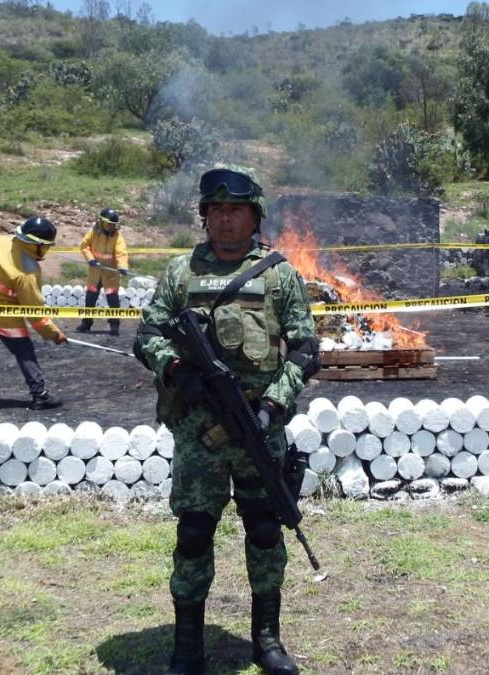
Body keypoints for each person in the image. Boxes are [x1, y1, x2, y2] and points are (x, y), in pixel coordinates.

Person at [134, 167, 319, 675]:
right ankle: (188, 645)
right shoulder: (180, 272)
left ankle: (267, 639)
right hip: (199, 431)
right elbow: (147, 334)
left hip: (260, 426)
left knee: (264, 527)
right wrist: (175, 369)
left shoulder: (279, 274)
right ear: (204, 216)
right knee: (194, 531)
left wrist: (273, 404)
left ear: (255, 216)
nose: (224, 218)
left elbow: (305, 349)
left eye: (234, 209)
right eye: (215, 210)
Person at [0, 216, 68, 410]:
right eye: (46, 246)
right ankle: (40, 395)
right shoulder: (27, 271)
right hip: (0, 310)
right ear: (37, 245)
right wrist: (54, 334)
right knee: (24, 351)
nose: (47, 250)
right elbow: (35, 312)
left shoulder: (0, 240)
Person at [76, 207, 130, 335]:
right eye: (109, 224)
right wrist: (90, 259)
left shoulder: (117, 236)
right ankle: (86, 323)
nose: (112, 227)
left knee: (113, 300)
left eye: (113, 224)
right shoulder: (93, 232)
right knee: (90, 299)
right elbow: (84, 246)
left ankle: (114, 325)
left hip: (110, 275)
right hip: (95, 273)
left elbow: (121, 252)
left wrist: (123, 266)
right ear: (101, 222)